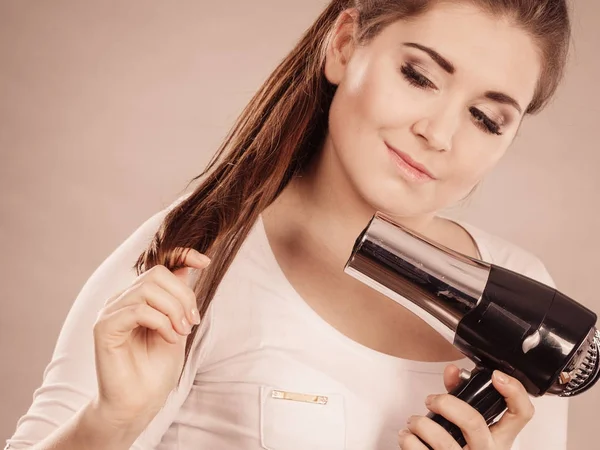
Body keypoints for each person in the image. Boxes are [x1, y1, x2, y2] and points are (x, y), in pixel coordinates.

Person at [5, 0, 573, 449]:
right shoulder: (198, 259)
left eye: (486, 118)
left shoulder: (528, 301)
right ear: (345, 46)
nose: (440, 133)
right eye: (419, 76)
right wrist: (112, 422)